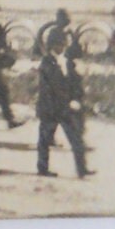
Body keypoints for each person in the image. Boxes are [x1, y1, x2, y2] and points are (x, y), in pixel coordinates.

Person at [37, 27, 92, 178]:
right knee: (44, 140)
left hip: (65, 108)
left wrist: (76, 98)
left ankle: (82, 169)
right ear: (52, 45)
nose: (62, 47)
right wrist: (67, 102)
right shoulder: (46, 63)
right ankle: (43, 169)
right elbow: (51, 88)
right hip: (51, 108)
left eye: (64, 44)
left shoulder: (68, 62)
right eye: (59, 44)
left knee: (76, 139)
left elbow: (75, 83)